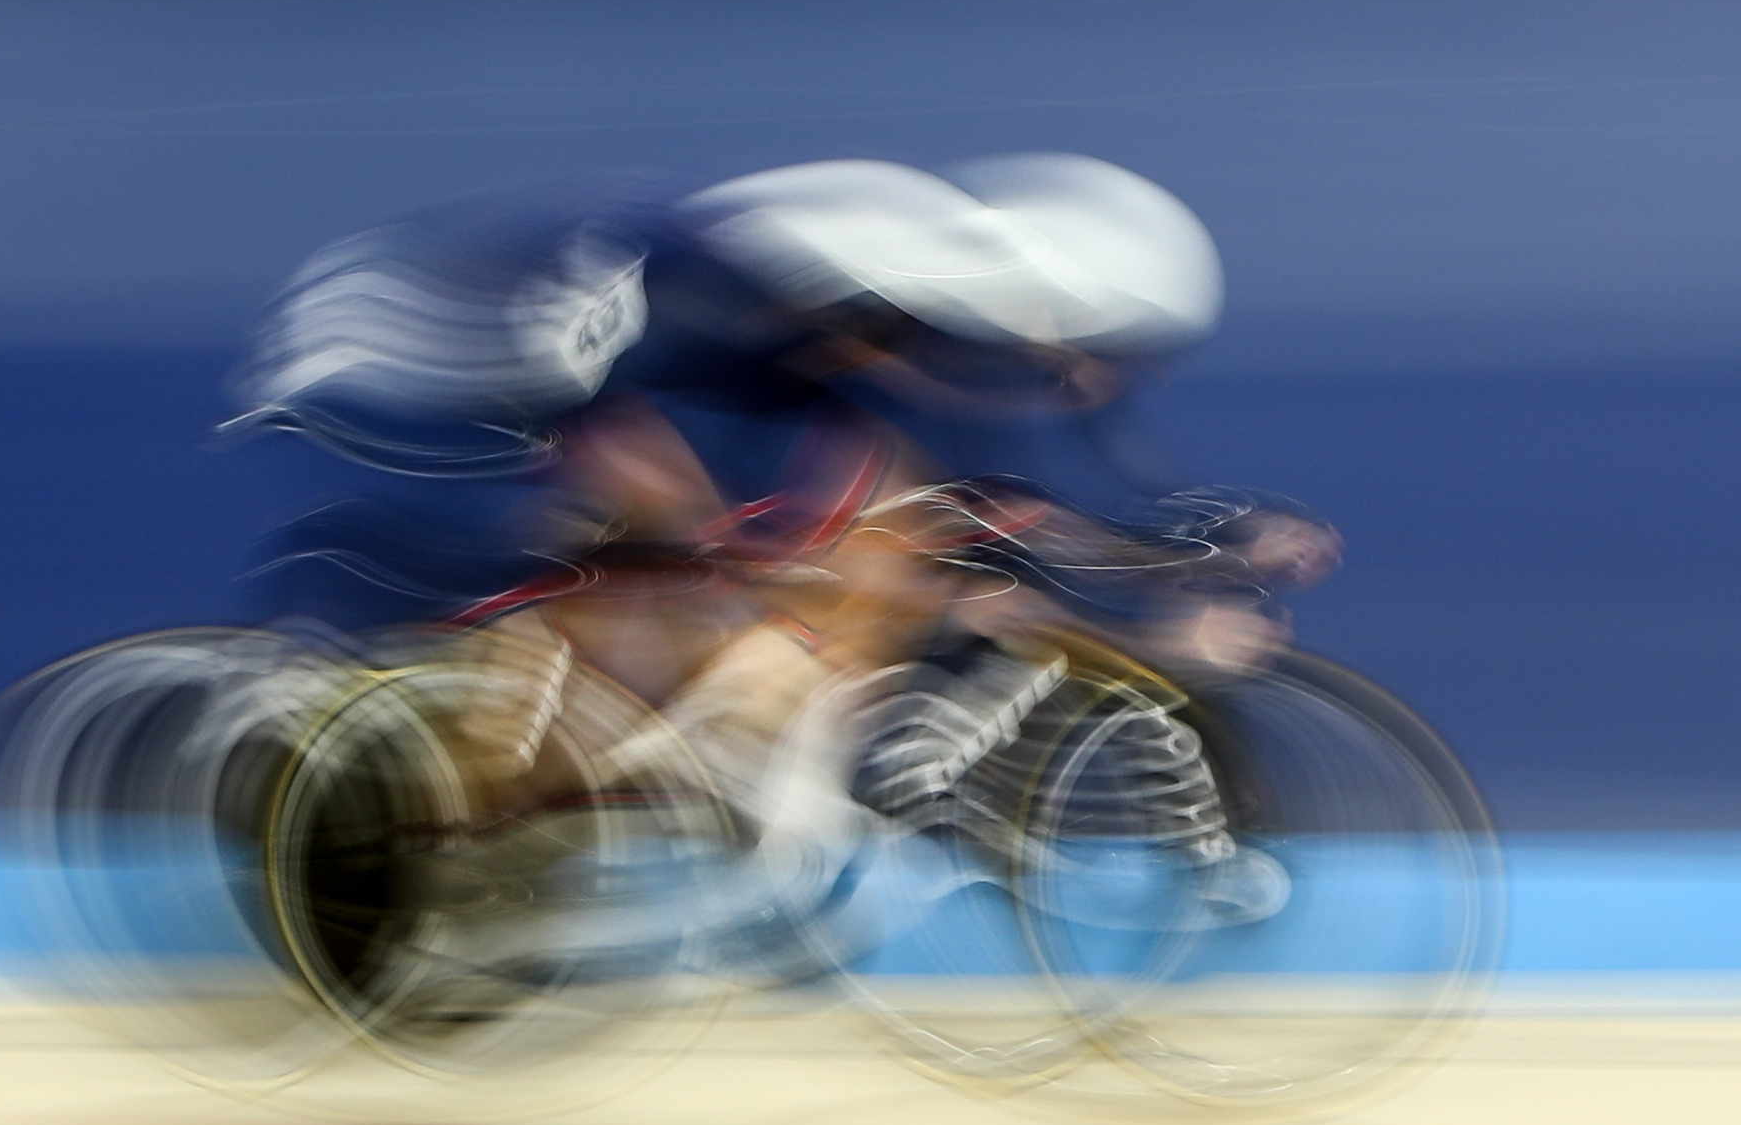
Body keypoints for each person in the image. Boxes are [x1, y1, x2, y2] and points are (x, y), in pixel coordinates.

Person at [225, 154, 1333, 846]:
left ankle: (665, 752)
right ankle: (418, 728)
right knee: (740, 557)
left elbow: (1013, 509)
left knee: (868, 550)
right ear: (1055, 310)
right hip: (548, 344)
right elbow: (991, 511)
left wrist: (1190, 553)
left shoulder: (948, 309)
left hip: (676, 351)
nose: (1095, 385)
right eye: (1103, 356)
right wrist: (1152, 617)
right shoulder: (919, 299)